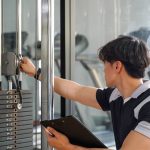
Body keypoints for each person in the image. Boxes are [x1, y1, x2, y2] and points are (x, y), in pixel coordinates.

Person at [20, 35, 150, 150]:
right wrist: (36, 73)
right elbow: (77, 91)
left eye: (105, 64)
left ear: (117, 66)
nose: (103, 70)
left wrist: (67, 147)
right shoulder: (116, 95)